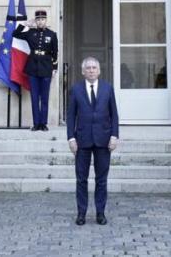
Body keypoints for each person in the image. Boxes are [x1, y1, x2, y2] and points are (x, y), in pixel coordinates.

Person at [67, 57, 119, 226]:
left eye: (94, 68)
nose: (91, 70)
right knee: (81, 179)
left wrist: (114, 136)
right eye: (88, 68)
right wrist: (71, 138)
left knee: (101, 179)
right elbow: (70, 116)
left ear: (99, 71)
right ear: (83, 71)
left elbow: (114, 115)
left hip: (103, 140)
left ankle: (100, 213)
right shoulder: (75, 89)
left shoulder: (107, 88)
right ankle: (81, 213)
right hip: (82, 140)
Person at [12, 10, 58, 131]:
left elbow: (55, 53)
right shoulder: (30, 33)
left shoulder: (52, 34)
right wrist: (25, 24)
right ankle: (36, 123)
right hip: (32, 68)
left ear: (46, 20)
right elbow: (15, 34)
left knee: (44, 97)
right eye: (38, 20)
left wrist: (54, 68)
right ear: (35, 21)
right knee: (34, 97)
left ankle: (43, 123)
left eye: (42, 19)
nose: (40, 21)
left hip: (46, 67)